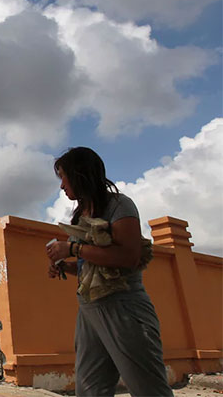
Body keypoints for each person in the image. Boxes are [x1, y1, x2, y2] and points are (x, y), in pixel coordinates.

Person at [45, 147, 172, 397]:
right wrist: (65, 265)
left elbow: (127, 257)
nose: (61, 186)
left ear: (79, 174)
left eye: (63, 176)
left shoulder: (119, 205)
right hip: (90, 308)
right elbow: (95, 267)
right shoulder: (82, 214)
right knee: (91, 389)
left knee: (148, 387)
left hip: (123, 307)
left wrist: (72, 248)